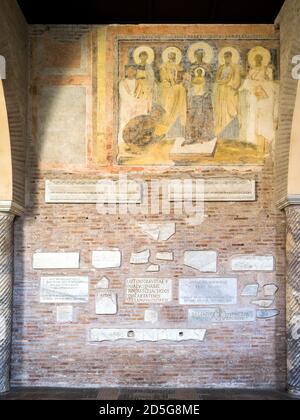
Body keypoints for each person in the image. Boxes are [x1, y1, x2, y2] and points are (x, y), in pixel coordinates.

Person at [239, 50, 279, 146]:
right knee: (253, 114)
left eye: (259, 59)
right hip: (254, 94)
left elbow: (270, 82)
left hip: (265, 94)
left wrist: (264, 77)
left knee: (264, 115)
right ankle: (254, 139)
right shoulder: (251, 70)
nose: (258, 60)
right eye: (256, 59)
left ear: (262, 59)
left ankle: (266, 137)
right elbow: (248, 81)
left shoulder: (267, 69)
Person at [184, 48, 215, 145]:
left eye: (201, 55)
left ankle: (204, 136)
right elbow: (186, 80)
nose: (199, 56)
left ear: (203, 56)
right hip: (193, 95)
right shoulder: (191, 67)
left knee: (204, 114)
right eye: (197, 55)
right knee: (192, 115)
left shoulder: (207, 66)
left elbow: (211, 80)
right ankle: (191, 136)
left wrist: (208, 90)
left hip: (204, 95)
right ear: (195, 56)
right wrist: (188, 82)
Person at [154, 50, 187, 139]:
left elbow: (183, 76)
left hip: (179, 90)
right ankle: (163, 131)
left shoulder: (178, 66)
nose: (172, 57)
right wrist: (170, 84)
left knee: (180, 108)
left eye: (173, 55)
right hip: (168, 90)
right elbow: (163, 79)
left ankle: (178, 131)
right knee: (168, 109)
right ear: (167, 57)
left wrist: (182, 80)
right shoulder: (164, 66)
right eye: (170, 55)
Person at [118, 65, 151, 143]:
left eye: (133, 71)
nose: (131, 72)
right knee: (126, 123)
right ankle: (124, 141)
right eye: (129, 71)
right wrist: (133, 100)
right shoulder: (122, 83)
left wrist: (143, 101)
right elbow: (123, 95)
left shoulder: (139, 82)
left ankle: (136, 141)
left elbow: (143, 94)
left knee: (137, 123)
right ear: (126, 72)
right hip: (127, 107)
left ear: (135, 72)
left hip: (137, 106)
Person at [214, 51, 241, 137]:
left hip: (230, 90)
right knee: (221, 108)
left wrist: (230, 84)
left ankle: (231, 133)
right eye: (225, 56)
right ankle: (221, 131)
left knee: (231, 109)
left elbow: (237, 80)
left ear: (231, 57)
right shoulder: (221, 67)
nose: (227, 58)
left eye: (228, 56)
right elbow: (217, 78)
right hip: (221, 90)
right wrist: (222, 81)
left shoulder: (235, 67)